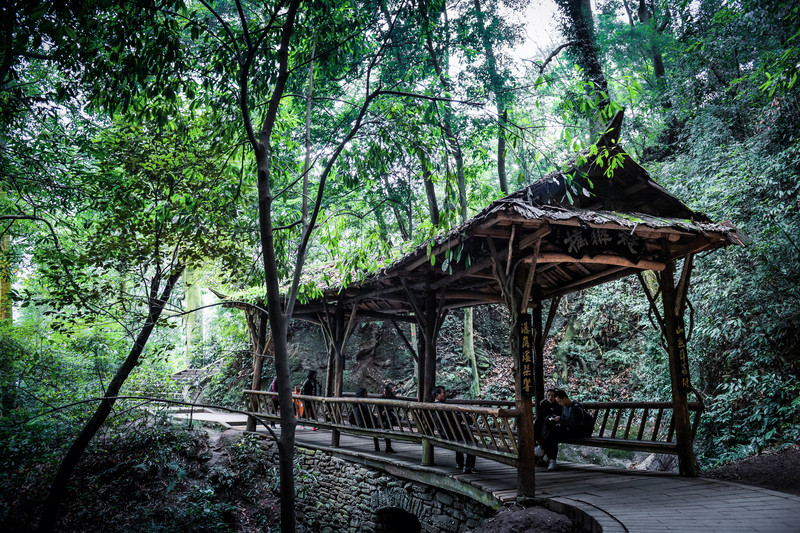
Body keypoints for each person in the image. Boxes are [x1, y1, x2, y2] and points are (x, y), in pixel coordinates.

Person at [432, 385, 476, 474]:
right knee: (472, 441)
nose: (446, 395)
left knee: (461, 438)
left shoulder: (431, 407)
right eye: (444, 393)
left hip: (443, 433)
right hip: (451, 433)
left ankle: (459, 463)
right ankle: (468, 466)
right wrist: (466, 417)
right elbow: (459, 418)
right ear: (437, 395)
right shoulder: (445, 408)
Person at [539, 389, 587, 471]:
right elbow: (564, 419)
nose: (559, 404)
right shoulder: (565, 407)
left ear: (564, 398)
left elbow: (575, 424)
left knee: (554, 432)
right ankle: (550, 459)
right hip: (567, 429)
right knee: (552, 430)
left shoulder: (575, 408)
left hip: (576, 432)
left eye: (560, 401)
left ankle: (543, 449)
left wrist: (561, 419)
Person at [350, 387, 382, 452]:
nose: (367, 394)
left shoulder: (355, 401)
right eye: (366, 393)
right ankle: (380, 447)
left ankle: (379, 447)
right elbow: (368, 414)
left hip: (358, 422)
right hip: (364, 424)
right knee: (382, 425)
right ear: (364, 394)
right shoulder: (363, 402)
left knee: (378, 424)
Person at [534, 388, 562, 461]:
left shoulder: (559, 405)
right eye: (548, 395)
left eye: (552, 396)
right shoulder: (544, 403)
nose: (550, 397)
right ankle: (537, 455)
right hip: (543, 425)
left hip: (553, 426)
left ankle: (546, 455)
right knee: (534, 430)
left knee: (549, 434)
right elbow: (540, 417)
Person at [377, 383, 397, 453]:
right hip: (383, 417)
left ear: (389, 392)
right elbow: (379, 408)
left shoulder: (393, 398)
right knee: (385, 425)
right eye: (384, 392)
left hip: (391, 417)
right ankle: (388, 447)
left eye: (386, 392)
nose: (385, 393)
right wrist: (382, 411)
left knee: (387, 425)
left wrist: (386, 410)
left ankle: (388, 447)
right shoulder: (381, 398)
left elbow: (394, 408)